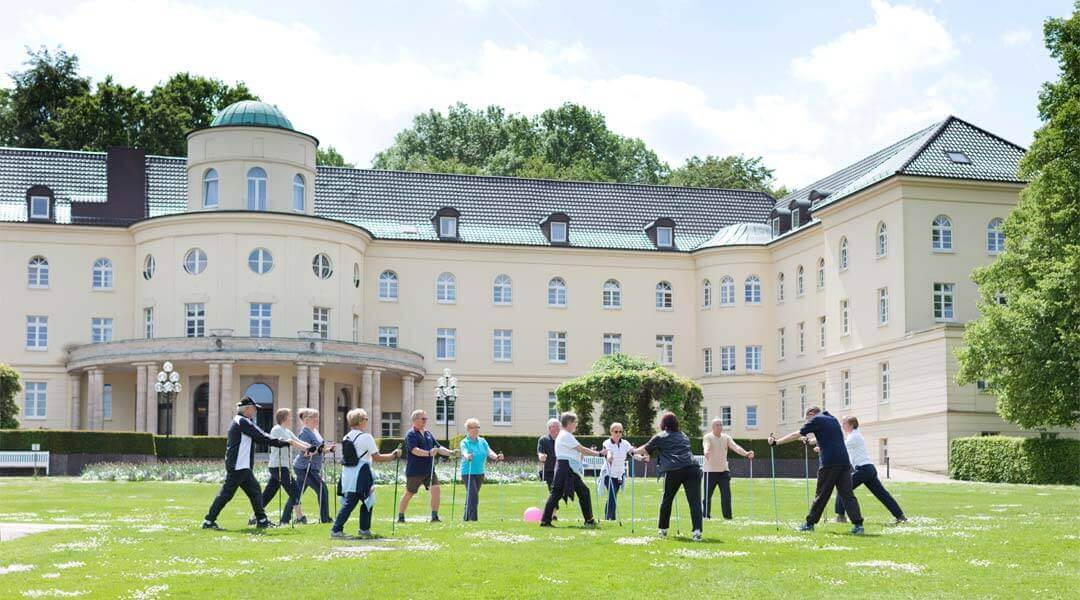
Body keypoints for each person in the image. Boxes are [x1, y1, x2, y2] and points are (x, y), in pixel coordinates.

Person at [202, 397, 309, 530]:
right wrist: (283, 442)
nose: (255, 411)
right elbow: (261, 436)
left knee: (255, 492)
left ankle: (262, 520)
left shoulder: (242, 421)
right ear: (247, 409)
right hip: (238, 466)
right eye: (254, 409)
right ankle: (208, 521)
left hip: (242, 466)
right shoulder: (242, 421)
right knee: (227, 494)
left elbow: (260, 436)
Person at [769, 406, 865, 535]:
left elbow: (796, 434)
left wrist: (776, 442)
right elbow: (826, 438)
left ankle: (809, 524)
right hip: (844, 462)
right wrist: (809, 441)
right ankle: (858, 525)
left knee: (822, 494)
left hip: (829, 463)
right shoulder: (832, 419)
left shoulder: (817, 419)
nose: (808, 423)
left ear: (811, 414)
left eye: (807, 420)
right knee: (847, 494)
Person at [331, 408, 402, 539]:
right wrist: (394, 455)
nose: (367, 421)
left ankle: (364, 529)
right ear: (361, 421)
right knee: (355, 501)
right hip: (361, 473)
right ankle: (337, 530)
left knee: (365, 500)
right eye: (366, 419)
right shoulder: (366, 437)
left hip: (348, 473)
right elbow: (377, 457)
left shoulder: (346, 436)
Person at [633, 412, 704, 541]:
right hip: (693, 469)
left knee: (667, 499)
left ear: (663, 424)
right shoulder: (684, 436)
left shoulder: (660, 436)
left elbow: (646, 448)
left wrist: (632, 451)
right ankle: (697, 532)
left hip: (674, 470)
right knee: (695, 502)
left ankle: (663, 530)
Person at [833, 416, 907, 524]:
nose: (842, 426)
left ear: (851, 425)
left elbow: (840, 446)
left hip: (864, 470)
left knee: (843, 488)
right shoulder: (852, 436)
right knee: (882, 494)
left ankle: (840, 517)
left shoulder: (854, 437)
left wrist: (822, 447)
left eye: (844, 423)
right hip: (868, 470)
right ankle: (900, 516)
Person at [540, 412, 606, 528]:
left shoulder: (564, 435)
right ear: (569, 423)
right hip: (566, 468)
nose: (576, 425)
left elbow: (578, 452)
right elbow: (581, 449)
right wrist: (599, 453)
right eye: (575, 422)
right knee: (574, 492)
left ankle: (546, 521)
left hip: (564, 467)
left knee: (561, 493)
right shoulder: (566, 435)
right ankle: (588, 520)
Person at [397, 409, 454, 523]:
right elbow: (414, 450)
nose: (425, 421)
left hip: (429, 470)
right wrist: (428, 453)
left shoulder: (428, 433)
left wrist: (451, 452)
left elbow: (438, 447)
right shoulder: (411, 434)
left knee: (436, 489)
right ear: (415, 420)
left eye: (426, 419)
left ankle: (434, 516)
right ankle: (401, 517)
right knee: (410, 493)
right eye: (423, 419)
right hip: (415, 470)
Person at [702, 417, 754, 520]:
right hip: (710, 471)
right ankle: (705, 516)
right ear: (712, 427)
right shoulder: (708, 437)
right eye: (717, 425)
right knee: (707, 496)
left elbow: (735, 447)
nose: (720, 427)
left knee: (726, 495)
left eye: (721, 425)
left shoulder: (726, 437)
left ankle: (728, 517)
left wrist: (746, 453)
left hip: (723, 472)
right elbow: (706, 445)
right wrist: (706, 451)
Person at [259, 408, 305, 525]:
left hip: (282, 466)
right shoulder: (277, 429)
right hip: (278, 466)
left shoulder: (287, 430)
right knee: (294, 489)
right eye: (290, 416)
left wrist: (314, 447)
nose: (291, 418)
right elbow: (292, 443)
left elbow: (298, 441)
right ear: (284, 418)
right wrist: (307, 449)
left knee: (268, 494)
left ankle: (254, 516)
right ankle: (300, 517)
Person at [291, 408, 335, 524]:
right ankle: (325, 519)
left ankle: (286, 518)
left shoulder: (315, 431)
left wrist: (329, 450)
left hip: (312, 467)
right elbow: (306, 453)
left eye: (318, 417)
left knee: (297, 493)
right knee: (322, 489)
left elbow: (319, 449)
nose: (317, 420)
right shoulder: (304, 433)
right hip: (305, 467)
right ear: (307, 420)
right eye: (314, 418)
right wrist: (319, 450)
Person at [459, 418, 504, 521]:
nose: (477, 430)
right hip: (468, 472)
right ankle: (473, 519)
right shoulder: (465, 442)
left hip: (480, 472)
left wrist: (497, 457)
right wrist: (467, 456)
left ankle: (466, 518)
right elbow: (464, 452)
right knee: (473, 495)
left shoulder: (482, 441)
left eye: (478, 427)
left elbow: (489, 452)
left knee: (471, 496)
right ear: (469, 429)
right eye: (475, 428)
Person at [600, 422, 641, 521]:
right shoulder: (607, 443)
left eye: (620, 432)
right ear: (611, 432)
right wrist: (609, 457)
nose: (618, 434)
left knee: (613, 496)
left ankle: (607, 516)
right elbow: (608, 452)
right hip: (608, 473)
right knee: (612, 494)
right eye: (616, 431)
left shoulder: (625, 443)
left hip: (619, 475)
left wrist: (642, 458)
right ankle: (611, 518)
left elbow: (633, 453)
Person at [537, 418, 560, 519]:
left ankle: (552, 512)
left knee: (559, 492)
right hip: (549, 471)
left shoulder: (561, 439)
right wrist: (541, 456)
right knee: (553, 491)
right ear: (550, 428)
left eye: (559, 426)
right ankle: (553, 514)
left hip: (561, 470)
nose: (558, 428)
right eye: (556, 426)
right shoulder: (544, 440)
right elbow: (540, 452)